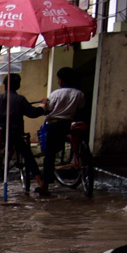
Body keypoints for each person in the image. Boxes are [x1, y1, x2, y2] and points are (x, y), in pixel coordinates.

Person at [0, 72, 47, 196]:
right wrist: (42, 106)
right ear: (18, 86)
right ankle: (40, 182)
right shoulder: (20, 99)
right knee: (27, 154)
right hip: (15, 133)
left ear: (5, 86)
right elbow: (32, 113)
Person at [38, 66, 85, 195]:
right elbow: (81, 106)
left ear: (61, 80)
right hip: (69, 124)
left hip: (54, 124)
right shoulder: (78, 94)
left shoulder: (55, 94)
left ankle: (45, 184)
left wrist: (44, 103)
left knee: (50, 154)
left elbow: (48, 109)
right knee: (77, 145)